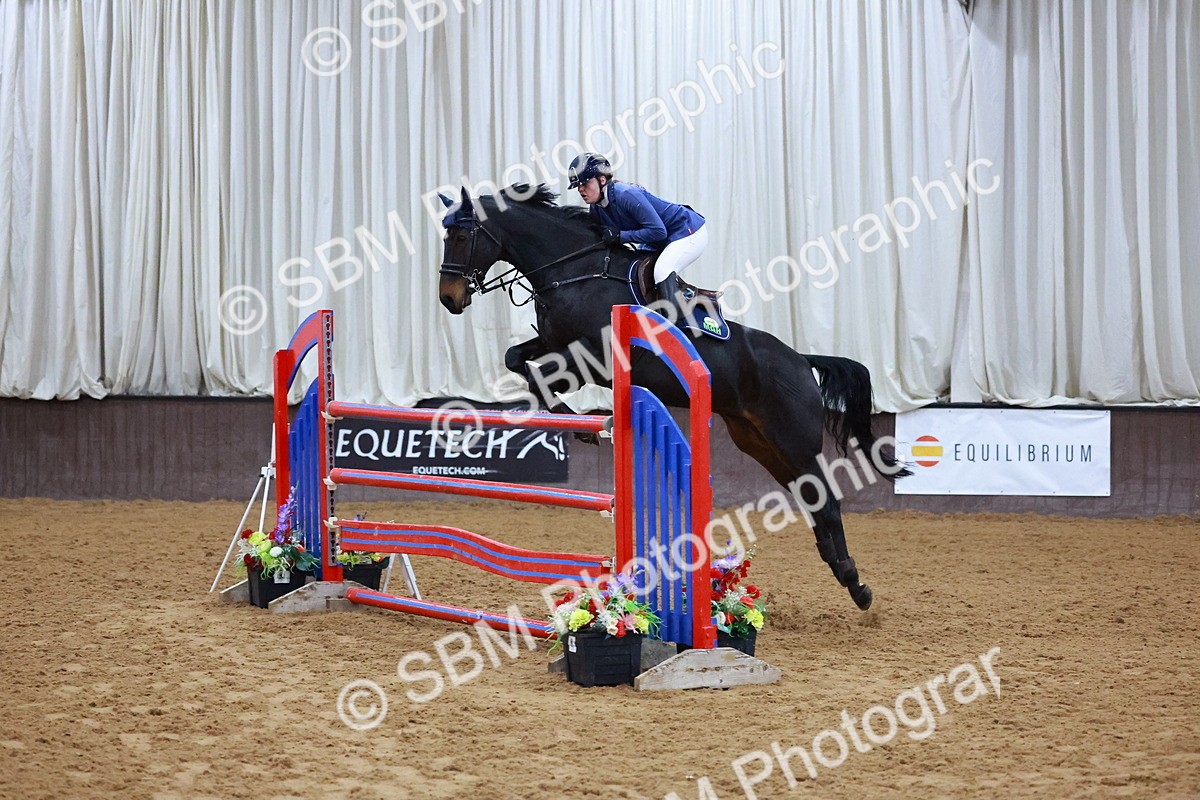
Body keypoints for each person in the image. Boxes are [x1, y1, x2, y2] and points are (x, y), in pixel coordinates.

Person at [567, 152, 707, 322]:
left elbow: (658, 231)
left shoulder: (625, 194)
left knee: (662, 270)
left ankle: (675, 327)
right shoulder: (596, 208)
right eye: (578, 186)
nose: (581, 189)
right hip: (659, 241)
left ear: (602, 180)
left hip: (687, 231)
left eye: (585, 183)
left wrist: (621, 236)